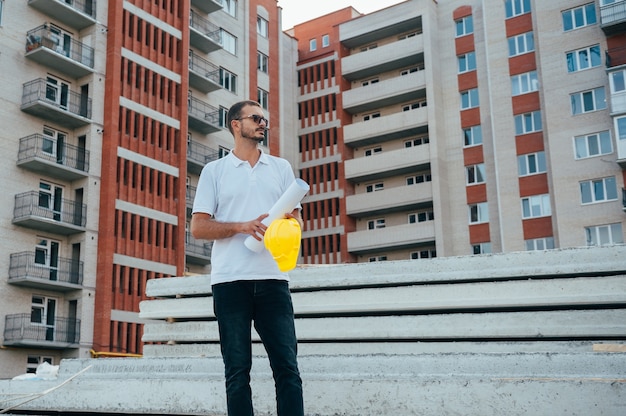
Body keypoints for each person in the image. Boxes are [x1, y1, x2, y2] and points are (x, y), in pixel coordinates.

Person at [190, 100, 305, 416]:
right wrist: (242, 226)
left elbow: (296, 219)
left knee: (287, 368)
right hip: (230, 282)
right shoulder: (215, 171)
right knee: (237, 372)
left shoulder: (280, 168)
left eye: (265, 119)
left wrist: (286, 225)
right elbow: (198, 227)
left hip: (273, 280)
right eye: (256, 118)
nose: (263, 123)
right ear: (235, 124)